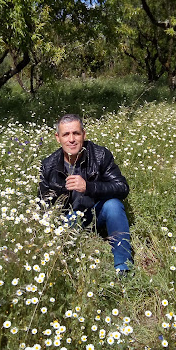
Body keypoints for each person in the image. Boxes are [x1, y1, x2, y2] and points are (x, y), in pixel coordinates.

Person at [38, 114, 133, 274]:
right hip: (68, 220)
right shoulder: (49, 165)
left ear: (84, 134)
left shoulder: (100, 155)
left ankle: (123, 267)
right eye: (66, 134)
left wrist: (88, 187)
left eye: (76, 133)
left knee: (114, 205)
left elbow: (122, 188)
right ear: (58, 138)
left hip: (97, 214)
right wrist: (62, 191)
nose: (71, 139)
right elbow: (43, 205)